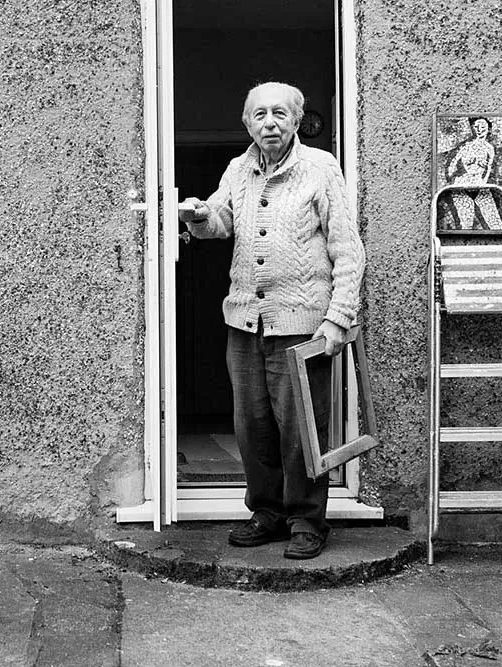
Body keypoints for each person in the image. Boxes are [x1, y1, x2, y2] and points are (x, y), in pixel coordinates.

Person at [178, 82, 365, 559]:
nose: (270, 123)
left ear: (297, 120)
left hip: (302, 325)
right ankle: (267, 512)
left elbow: (347, 248)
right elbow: (220, 221)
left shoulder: (320, 167)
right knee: (252, 425)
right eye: (259, 114)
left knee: (301, 429)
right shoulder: (238, 169)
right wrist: (198, 215)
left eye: (280, 113)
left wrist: (338, 318)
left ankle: (306, 519)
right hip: (245, 321)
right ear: (247, 124)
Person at [445, 116, 502, 230]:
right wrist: (452, 181)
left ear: (488, 129)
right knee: (466, 220)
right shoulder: (466, 146)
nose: (479, 130)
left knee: (494, 221)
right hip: (462, 184)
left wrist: (483, 181)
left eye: (483, 127)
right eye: (476, 127)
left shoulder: (489, 148)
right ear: (472, 128)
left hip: (480, 184)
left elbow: (488, 168)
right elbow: (452, 164)